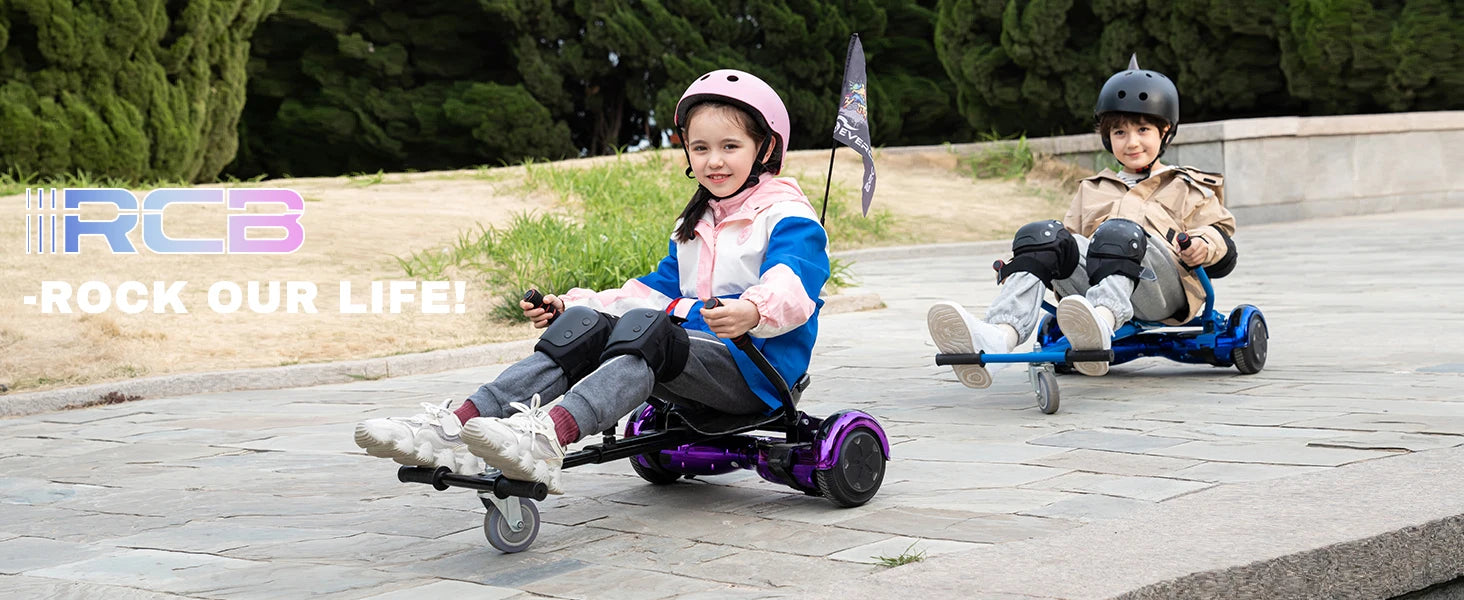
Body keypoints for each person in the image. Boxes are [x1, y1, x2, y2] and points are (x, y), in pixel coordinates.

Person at [353, 69, 829, 494]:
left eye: (730, 147)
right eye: (700, 148)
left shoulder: (787, 215)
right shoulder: (697, 222)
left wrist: (754, 310)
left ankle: (548, 436)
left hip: (756, 373)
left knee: (653, 330)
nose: (713, 162)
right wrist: (572, 306)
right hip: (694, 361)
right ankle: (457, 428)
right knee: (590, 323)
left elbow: (794, 282)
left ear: (765, 148)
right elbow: (648, 294)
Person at [928, 55, 1237, 387]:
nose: (1132, 142)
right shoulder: (1092, 189)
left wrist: (1205, 247)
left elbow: (1219, 232)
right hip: (1099, 281)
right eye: (1120, 132)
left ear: (1165, 131)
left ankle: (1102, 326)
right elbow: (1070, 247)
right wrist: (1042, 255)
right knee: (1043, 236)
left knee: (1119, 233)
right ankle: (999, 335)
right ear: (1107, 138)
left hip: (1160, 290)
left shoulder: (1188, 185)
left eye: (1143, 130)